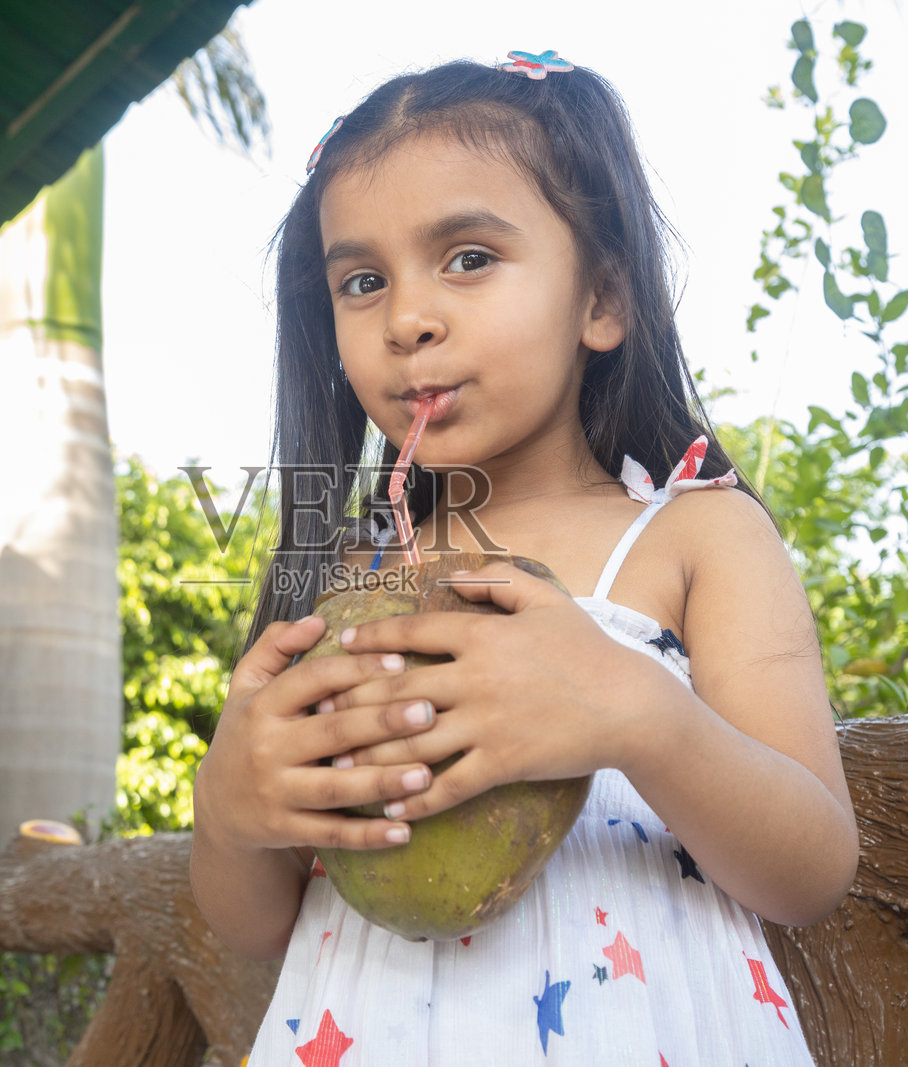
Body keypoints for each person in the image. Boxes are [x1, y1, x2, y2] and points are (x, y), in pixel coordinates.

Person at [190, 52, 858, 1065]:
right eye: (362, 281)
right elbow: (262, 922)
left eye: (466, 257)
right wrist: (231, 808)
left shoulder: (694, 536)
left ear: (600, 298)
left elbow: (812, 867)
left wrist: (642, 714)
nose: (408, 317)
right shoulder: (339, 581)